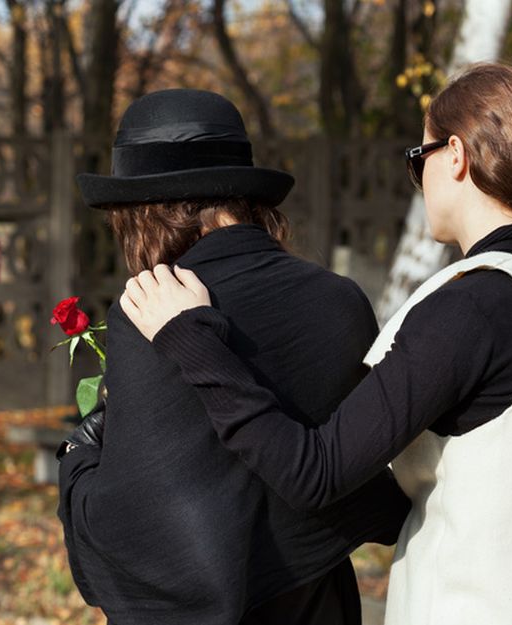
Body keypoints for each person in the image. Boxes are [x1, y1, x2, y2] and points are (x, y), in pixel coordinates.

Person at [121, 64, 512, 625]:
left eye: (420, 157)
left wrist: (193, 341)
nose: (420, 177)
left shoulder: (472, 305)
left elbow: (315, 473)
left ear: (455, 155)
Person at [56, 89, 411, 625]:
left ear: (144, 212)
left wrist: (76, 461)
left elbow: (136, 533)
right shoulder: (342, 301)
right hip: (319, 608)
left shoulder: (148, 312)